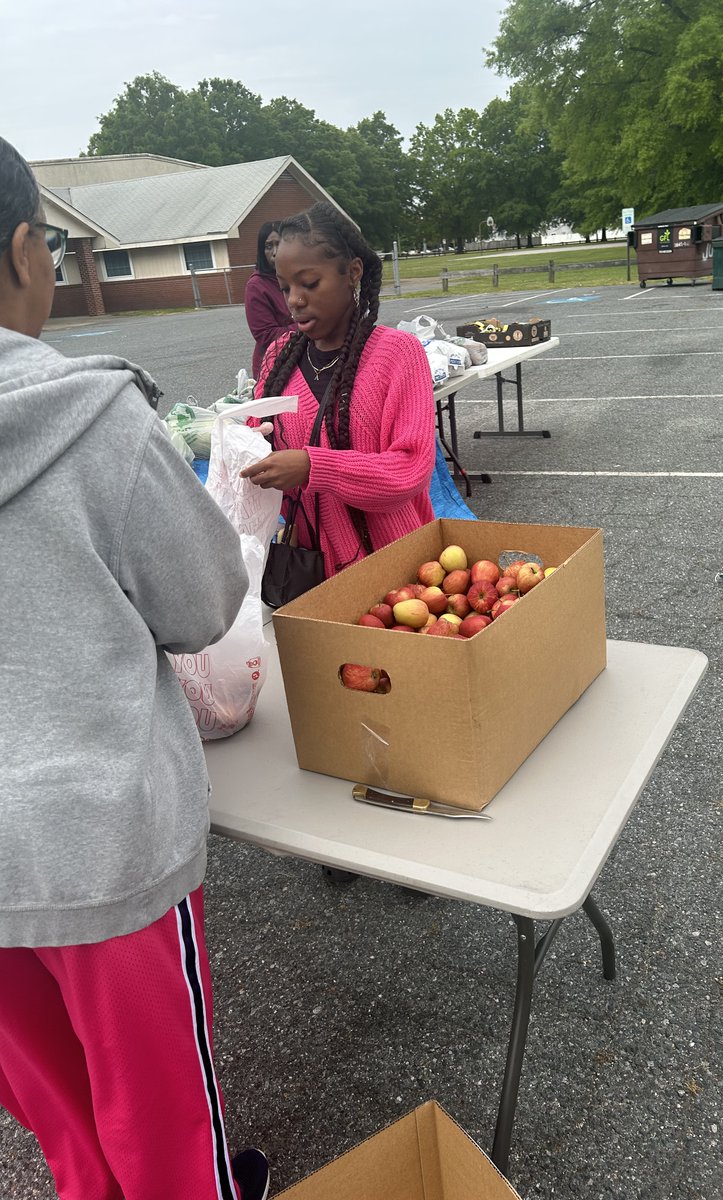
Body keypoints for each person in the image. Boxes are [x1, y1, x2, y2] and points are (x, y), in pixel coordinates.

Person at [0, 137, 270, 1200]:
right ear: (27, 250)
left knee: (63, 1118)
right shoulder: (90, 418)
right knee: (160, 1121)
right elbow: (203, 606)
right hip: (96, 841)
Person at [240, 201, 435, 577]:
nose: (295, 299)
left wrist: (313, 466)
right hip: (310, 565)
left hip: (396, 565)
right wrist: (246, 450)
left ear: (353, 273)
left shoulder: (397, 354)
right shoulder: (279, 357)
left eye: (309, 283)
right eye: (285, 287)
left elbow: (410, 469)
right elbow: (256, 439)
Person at [244, 220, 295, 381]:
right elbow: (265, 335)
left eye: (279, 244)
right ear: (261, 251)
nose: (275, 252)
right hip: (273, 366)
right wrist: (306, 326)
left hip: (299, 357)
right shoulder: (256, 286)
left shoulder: (297, 277)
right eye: (268, 246)